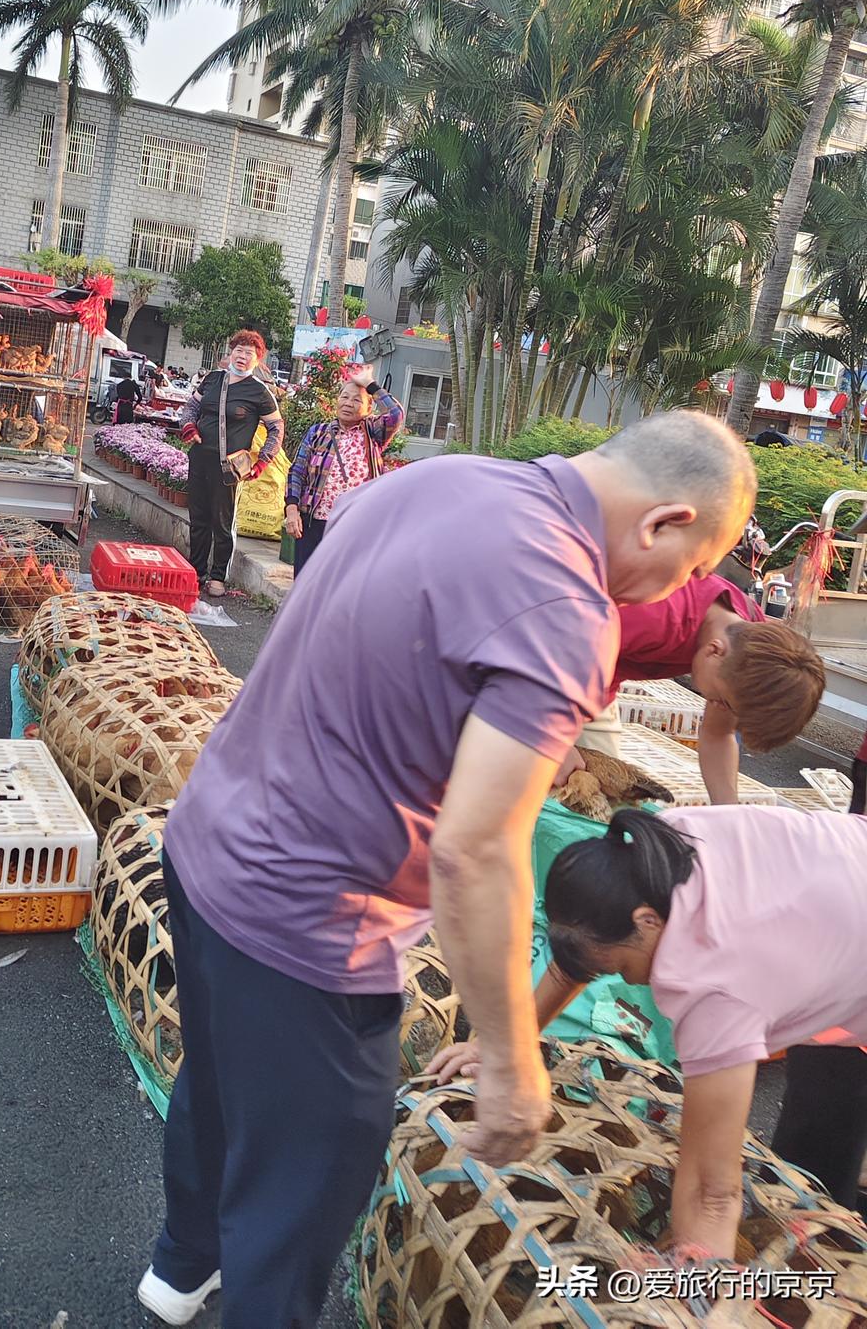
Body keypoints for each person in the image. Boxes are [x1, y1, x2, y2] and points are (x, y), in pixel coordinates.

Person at [137, 411, 756, 1329]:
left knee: (221, 1082)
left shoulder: (446, 478)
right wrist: (511, 1058)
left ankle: (183, 1268)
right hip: (313, 920)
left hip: (208, 847)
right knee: (302, 1194)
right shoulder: (567, 610)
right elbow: (478, 846)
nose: (684, 589)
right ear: (663, 522)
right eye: (698, 567)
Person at [431, 807, 867, 1256]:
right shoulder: (654, 848)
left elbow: (712, 1192)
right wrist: (504, 1044)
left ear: (647, 922)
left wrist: (688, 1277)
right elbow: (582, 949)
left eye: (618, 967)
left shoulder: (715, 993)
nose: (628, 980)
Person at [559, 572, 826, 803]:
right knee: (544, 774)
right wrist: (551, 743)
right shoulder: (653, 612)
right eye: (722, 702)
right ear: (714, 650)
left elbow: (718, 734)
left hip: (593, 681)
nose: (718, 708)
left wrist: (728, 813)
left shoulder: (746, 649)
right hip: (548, 657)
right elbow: (538, 642)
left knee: (607, 793)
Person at [178, 331, 284, 598]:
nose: (242, 356)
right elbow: (190, 408)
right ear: (231, 352)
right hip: (200, 458)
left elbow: (276, 428)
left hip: (229, 468)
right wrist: (189, 427)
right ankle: (196, 570)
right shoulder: (213, 379)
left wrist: (263, 460)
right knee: (198, 518)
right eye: (239, 350)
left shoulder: (259, 391)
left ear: (258, 359)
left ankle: (217, 576)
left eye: (250, 353)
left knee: (222, 522)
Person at [283, 363, 404, 574]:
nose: (348, 403)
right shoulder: (318, 433)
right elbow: (297, 471)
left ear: (368, 409)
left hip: (355, 523)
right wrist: (292, 510)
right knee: (306, 580)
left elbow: (395, 414)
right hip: (315, 520)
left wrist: (370, 385)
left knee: (342, 582)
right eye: (344, 397)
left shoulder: (372, 432)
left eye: (357, 399)